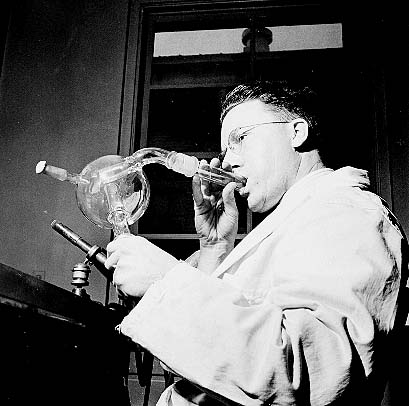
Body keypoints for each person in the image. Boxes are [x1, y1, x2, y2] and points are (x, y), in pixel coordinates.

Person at [105, 82, 408, 406]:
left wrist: (165, 281)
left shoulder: (348, 213)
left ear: (296, 133)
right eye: (226, 151)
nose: (228, 163)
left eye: (241, 138)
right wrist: (214, 249)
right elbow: (217, 364)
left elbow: (308, 374)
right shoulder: (299, 220)